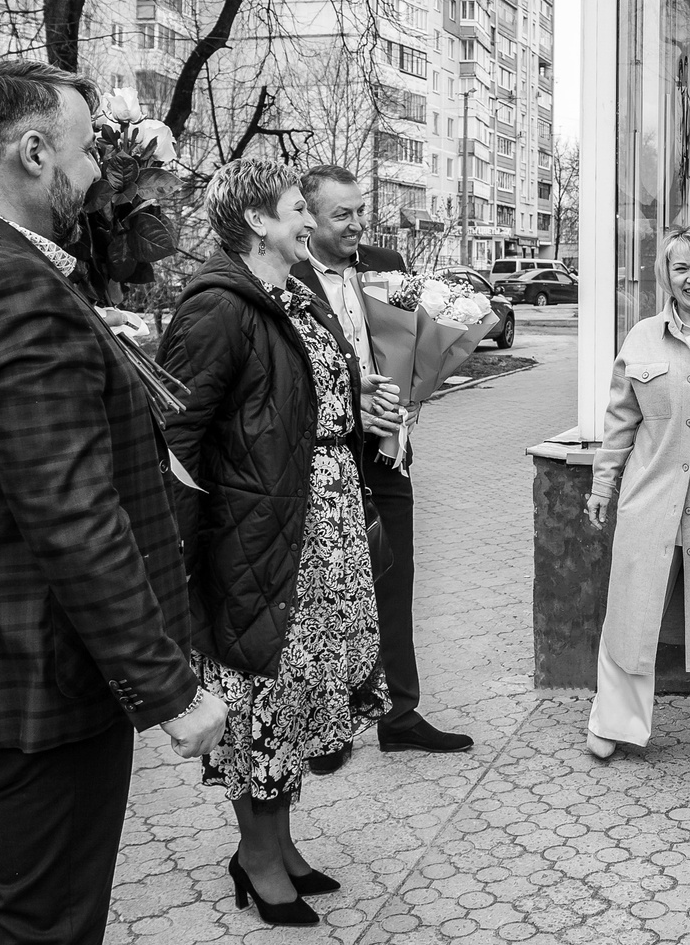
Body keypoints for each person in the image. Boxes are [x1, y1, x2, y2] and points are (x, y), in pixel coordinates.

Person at [0, 59, 226, 945]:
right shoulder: (9, 286)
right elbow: (74, 519)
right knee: (44, 924)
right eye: (87, 151)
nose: (97, 173)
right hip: (36, 682)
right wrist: (169, 691)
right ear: (32, 152)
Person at [157, 160, 396, 927]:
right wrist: (181, 561)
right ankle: (256, 858)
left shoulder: (294, 295)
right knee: (257, 698)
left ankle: (280, 846)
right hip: (259, 535)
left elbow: (296, 394)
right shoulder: (216, 308)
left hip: (318, 521)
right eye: (298, 207)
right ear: (258, 221)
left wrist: (360, 401)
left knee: (291, 699)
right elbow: (176, 440)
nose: (310, 220)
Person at [291, 163, 474, 772]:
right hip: (324, 458)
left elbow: (410, 344)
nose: (355, 225)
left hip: (386, 455)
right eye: (340, 214)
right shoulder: (286, 278)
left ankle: (399, 715)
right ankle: (331, 722)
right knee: (329, 592)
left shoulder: (385, 267)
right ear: (307, 218)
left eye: (359, 211)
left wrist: (413, 396)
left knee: (394, 583)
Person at [583, 226, 690, 764]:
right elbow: (620, 421)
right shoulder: (640, 337)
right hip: (650, 497)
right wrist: (603, 484)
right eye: (681, 268)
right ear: (665, 276)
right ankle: (613, 721)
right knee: (631, 612)